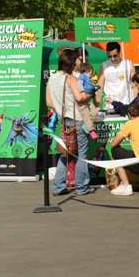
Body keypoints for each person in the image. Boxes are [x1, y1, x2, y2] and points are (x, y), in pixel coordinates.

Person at [46, 50, 92, 196]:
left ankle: (58, 187)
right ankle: (81, 187)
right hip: (78, 120)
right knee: (82, 155)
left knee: (66, 155)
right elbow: (79, 97)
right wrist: (90, 94)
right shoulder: (70, 79)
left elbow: (49, 103)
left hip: (64, 122)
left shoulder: (51, 79)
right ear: (71, 64)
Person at [95, 42, 137, 111]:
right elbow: (99, 87)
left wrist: (136, 105)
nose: (112, 59)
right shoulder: (104, 66)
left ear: (119, 52)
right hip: (109, 106)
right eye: (109, 56)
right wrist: (98, 107)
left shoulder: (128, 64)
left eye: (115, 56)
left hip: (126, 105)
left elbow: (135, 86)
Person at [75, 62, 99, 139]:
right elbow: (79, 83)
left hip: (88, 99)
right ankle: (91, 130)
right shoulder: (83, 76)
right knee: (86, 114)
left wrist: (95, 89)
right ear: (91, 71)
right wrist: (82, 91)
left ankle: (86, 126)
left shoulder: (89, 80)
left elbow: (89, 88)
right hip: (82, 100)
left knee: (94, 112)